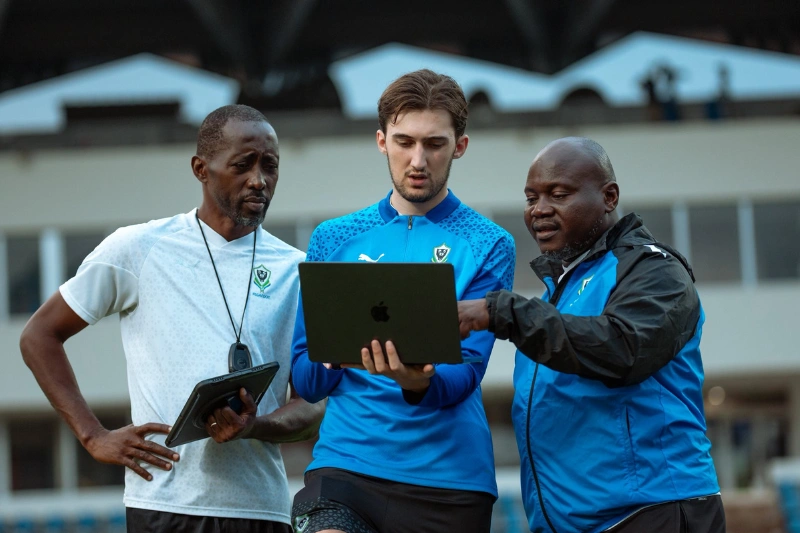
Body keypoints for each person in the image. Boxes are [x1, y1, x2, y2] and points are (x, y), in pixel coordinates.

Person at [19, 104, 325, 533]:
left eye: (270, 166)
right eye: (243, 165)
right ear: (201, 168)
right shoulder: (139, 249)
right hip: (162, 506)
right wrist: (92, 435)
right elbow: (38, 336)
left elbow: (311, 406)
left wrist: (255, 426)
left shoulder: (296, 270)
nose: (259, 180)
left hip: (261, 510)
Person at [458, 137, 725, 533]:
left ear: (609, 197)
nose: (540, 210)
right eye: (531, 198)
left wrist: (502, 311)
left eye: (559, 194)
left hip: (650, 513)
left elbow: (622, 348)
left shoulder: (654, 269)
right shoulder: (556, 294)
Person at [290, 69, 516, 533]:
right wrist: (336, 353)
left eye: (434, 144)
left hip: (450, 481)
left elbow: (466, 373)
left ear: (460, 146)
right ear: (381, 141)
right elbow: (305, 379)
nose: (418, 159)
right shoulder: (332, 238)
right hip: (347, 465)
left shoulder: (490, 243)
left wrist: (416, 382)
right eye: (404, 141)